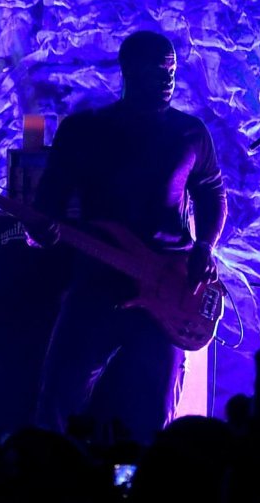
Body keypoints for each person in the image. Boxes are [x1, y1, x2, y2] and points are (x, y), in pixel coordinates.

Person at [33, 30, 227, 443]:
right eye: (157, 71)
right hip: (98, 282)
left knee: (155, 415)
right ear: (128, 71)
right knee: (58, 403)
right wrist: (41, 231)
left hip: (168, 288)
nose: (167, 80)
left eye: (171, 70)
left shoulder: (190, 133)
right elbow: (48, 203)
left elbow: (212, 192)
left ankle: (144, 484)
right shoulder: (84, 130)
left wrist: (206, 246)